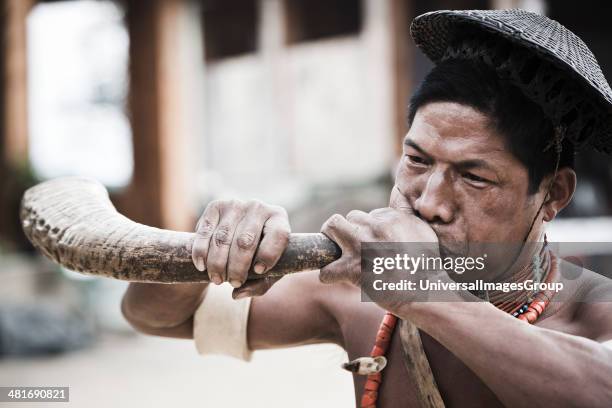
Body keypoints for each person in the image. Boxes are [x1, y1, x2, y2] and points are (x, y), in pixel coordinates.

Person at [121, 10, 612, 407]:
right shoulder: (358, 292)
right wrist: (214, 245)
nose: (429, 202)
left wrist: (423, 294)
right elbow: (153, 317)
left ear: (553, 195)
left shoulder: (596, 312)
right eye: (417, 160)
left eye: (474, 177)